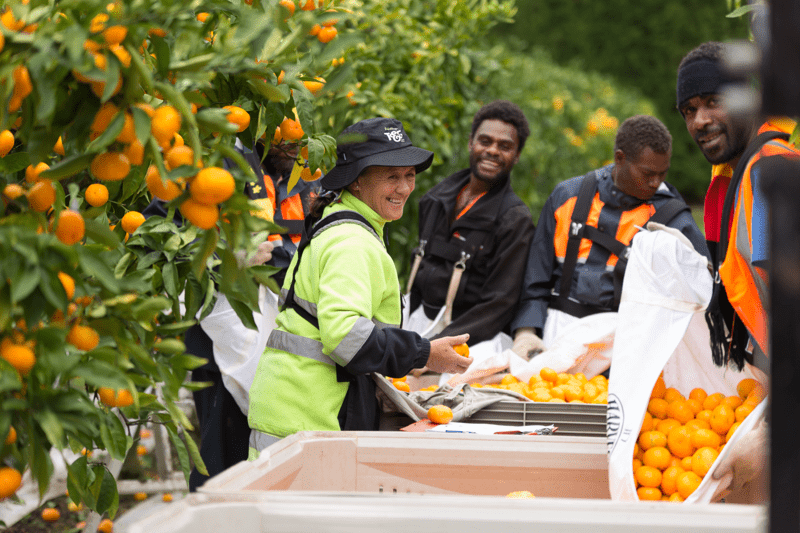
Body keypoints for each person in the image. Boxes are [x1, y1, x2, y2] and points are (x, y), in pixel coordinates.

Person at [247, 117, 473, 453]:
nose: (405, 188)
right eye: (391, 176)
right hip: (312, 416)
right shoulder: (352, 242)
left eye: (409, 176)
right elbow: (346, 336)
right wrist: (424, 354)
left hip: (295, 408)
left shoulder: (344, 225)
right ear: (356, 181)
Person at [142, 133, 319, 491]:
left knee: (275, 462)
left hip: (280, 334)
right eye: (285, 136)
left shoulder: (304, 178)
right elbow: (154, 239)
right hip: (220, 341)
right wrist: (221, 255)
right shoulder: (216, 166)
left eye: (301, 138)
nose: (294, 147)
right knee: (224, 466)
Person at [676, 41, 799, 495]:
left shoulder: (772, 181)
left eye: (713, 101)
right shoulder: (740, 177)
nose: (700, 121)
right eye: (689, 109)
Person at [510, 114, 708, 359]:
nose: (655, 182)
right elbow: (535, 280)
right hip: (557, 335)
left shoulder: (673, 219)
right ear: (620, 159)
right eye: (647, 173)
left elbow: (700, 297)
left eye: (662, 173)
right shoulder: (567, 198)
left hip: (628, 344)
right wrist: (526, 332)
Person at [406, 100, 535, 349]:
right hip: (417, 323)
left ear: (517, 155)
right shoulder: (435, 198)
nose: (493, 151)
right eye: (485, 141)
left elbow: (498, 306)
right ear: (471, 142)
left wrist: (434, 349)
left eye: (505, 146)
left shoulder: (515, 221)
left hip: (470, 341)